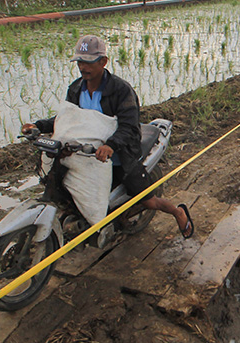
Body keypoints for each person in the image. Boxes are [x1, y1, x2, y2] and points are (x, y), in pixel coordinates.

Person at [22, 34, 194, 238]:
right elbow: (66, 119)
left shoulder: (121, 91)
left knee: (146, 199)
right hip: (86, 155)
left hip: (120, 156)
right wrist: (39, 126)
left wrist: (111, 146)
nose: (82, 67)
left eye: (88, 62)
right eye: (79, 62)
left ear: (103, 62)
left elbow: (129, 127)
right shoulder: (76, 89)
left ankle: (177, 212)